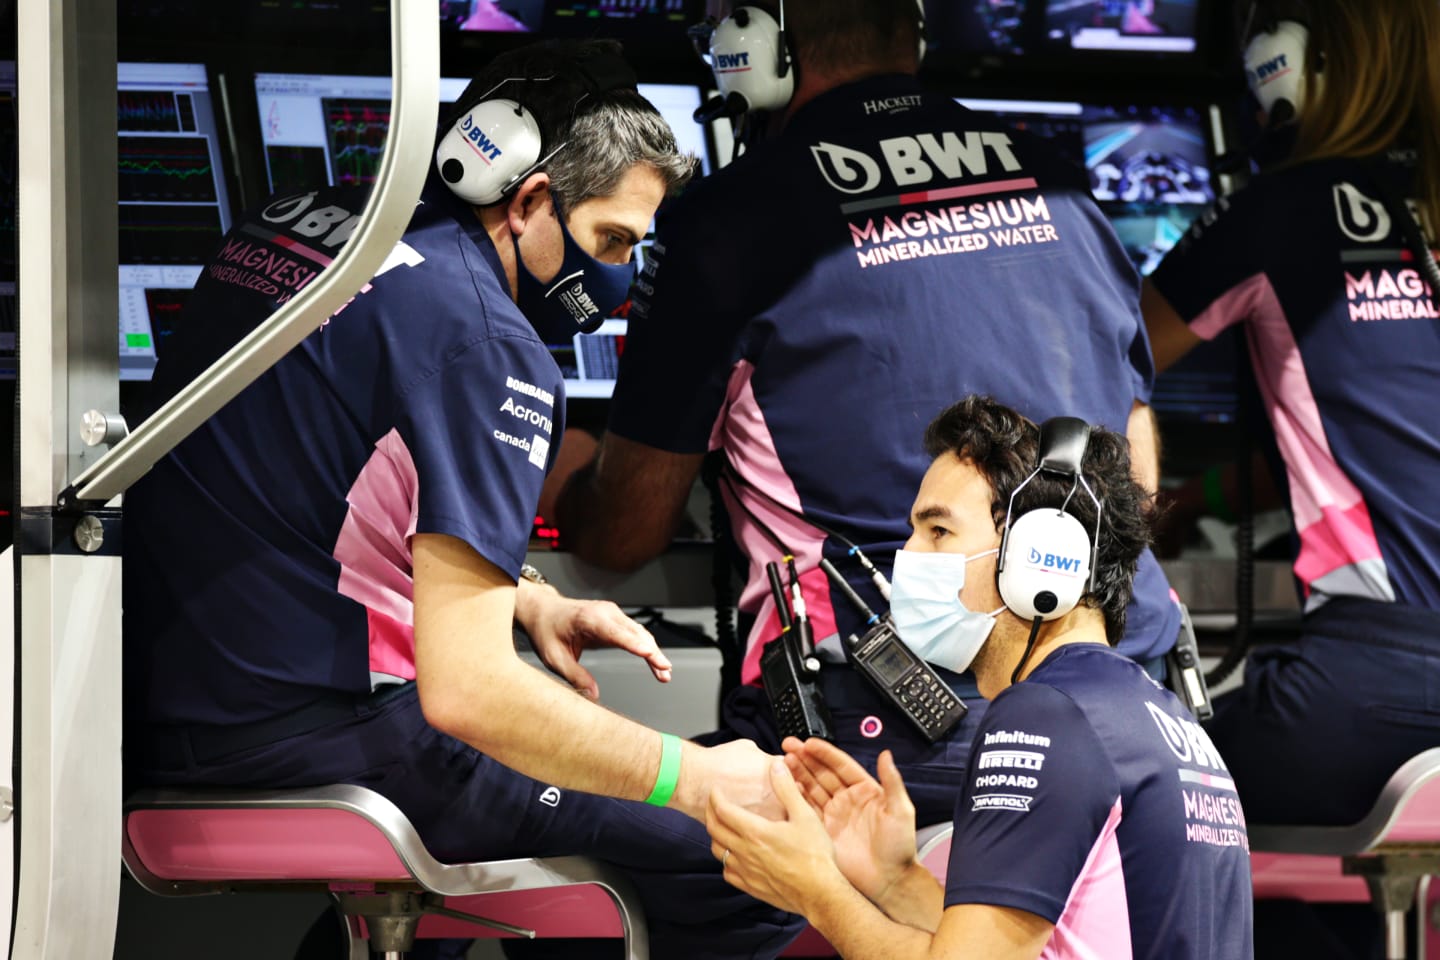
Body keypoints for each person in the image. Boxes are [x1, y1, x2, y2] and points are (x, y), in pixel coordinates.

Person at [123, 39, 805, 959]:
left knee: (461, 894)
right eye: (612, 242)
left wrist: (521, 595)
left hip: (162, 714)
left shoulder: (294, 225)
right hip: (315, 736)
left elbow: (296, 483)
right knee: (742, 862)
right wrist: (696, 777)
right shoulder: (488, 344)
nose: (616, 286)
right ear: (527, 200)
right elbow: (470, 695)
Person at [553, 0, 1181, 830]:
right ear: (913, 31)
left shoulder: (728, 223)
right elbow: (1135, 488)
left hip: (883, 740)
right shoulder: (1070, 192)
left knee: (593, 852)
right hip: (1136, 715)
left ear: (758, 43)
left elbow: (620, 538)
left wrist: (565, 467)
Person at [705, 395, 1255, 960]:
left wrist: (814, 891)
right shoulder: (1161, 718)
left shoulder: (1045, 717)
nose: (908, 554)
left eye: (938, 531)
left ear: (1040, 561)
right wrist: (892, 879)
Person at [1143, 0, 1440, 829]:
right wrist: (1197, 504)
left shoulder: (1282, 210)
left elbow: (1103, 357)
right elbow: (1373, 440)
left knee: (1137, 787)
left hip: (1368, 689)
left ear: (1288, 66)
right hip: (1385, 680)